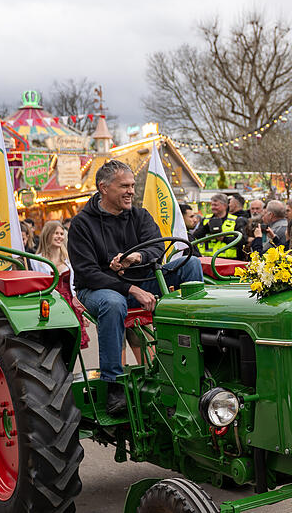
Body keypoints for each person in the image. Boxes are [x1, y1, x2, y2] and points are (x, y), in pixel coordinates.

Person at [70, 160, 203, 414]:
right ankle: (114, 385)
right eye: (124, 186)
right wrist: (130, 289)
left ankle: (195, 358)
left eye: (132, 185)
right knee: (113, 302)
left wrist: (135, 258)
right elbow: (87, 273)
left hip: (142, 280)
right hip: (97, 290)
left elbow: (156, 247)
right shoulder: (82, 224)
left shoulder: (140, 216)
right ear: (104, 188)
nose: (131, 191)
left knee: (191, 265)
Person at [31, 220, 90, 349]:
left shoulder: (69, 259)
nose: (59, 237)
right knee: (52, 342)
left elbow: (75, 286)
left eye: (61, 234)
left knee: (72, 343)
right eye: (55, 233)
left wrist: (82, 311)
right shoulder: (36, 261)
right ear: (48, 235)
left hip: (69, 303)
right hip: (49, 304)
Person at [192, 193, 242, 259]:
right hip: (207, 259)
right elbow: (195, 237)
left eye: (216, 205)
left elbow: (241, 241)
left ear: (225, 206)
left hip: (227, 260)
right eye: (212, 205)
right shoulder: (206, 219)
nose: (213, 207)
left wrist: (224, 238)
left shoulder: (235, 220)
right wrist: (206, 227)